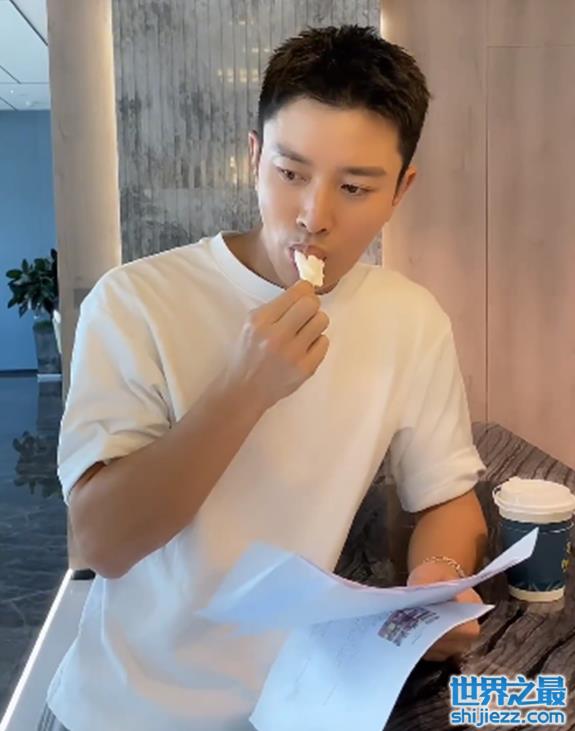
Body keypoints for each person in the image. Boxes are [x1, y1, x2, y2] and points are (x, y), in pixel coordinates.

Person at [41, 24, 488, 731]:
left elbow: (447, 496)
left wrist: (437, 575)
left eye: (354, 186)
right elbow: (104, 542)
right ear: (253, 158)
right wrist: (244, 388)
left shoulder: (409, 318)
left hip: (297, 707)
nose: (314, 216)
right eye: (290, 173)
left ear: (401, 190)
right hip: (126, 711)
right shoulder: (135, 303)